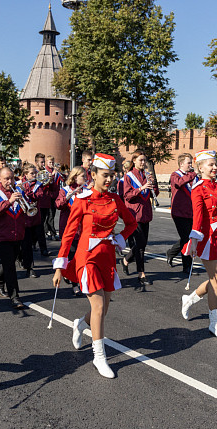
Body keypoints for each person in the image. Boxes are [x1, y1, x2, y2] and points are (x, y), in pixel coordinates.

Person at [52, 153, 137, 378]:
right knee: (98, 307)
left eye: (112, 176)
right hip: (86, 258)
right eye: (105, 176)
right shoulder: (83, 200)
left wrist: (120, 238)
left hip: (107, 257)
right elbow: (69, 235)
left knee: (103, 309)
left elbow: (131, 223)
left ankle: (80, 324)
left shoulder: (115, 200)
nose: (109, 180)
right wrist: (60, 265)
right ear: (94, 175)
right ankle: (99, 356)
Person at [180, 151, 217, 340]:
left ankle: (189, 299)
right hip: (207, 238)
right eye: (210, 165)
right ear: (200, 168)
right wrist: (194, 240)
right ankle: (214, 323)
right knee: (216, 280)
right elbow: (197, 216)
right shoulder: (198, 189)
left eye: (215, 164)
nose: (214, 168)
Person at [0, 167, 30, 309]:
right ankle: (15, 297)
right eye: (6, 178)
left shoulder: (18, 191)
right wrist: (10, 201)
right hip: (2, 235)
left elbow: (26, 210)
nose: (9, 181)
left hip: (18, 234)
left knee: (10, 262)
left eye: (11, 178)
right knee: (10, 266)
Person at [122, 150, 159, 285]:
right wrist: (141, 187)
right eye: (141, 160)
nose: (143, 163)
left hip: (145, 213)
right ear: (134, 161)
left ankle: (126, 259)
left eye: (144, 160)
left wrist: (154, 184)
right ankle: (141, 273)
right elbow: (127, 195)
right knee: (140, 245)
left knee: (142, 244)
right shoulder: (129, 177)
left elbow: (153, 193)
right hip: (134, 214)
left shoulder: (146, 175)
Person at [55, 166, 87, 296]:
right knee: (72, 256)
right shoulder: (65, 190)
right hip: (69, 229)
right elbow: (58, 205)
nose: (86, 179)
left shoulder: (86, 191)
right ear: (75, 177)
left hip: (83, 230)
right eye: (83, 177)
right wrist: (68, 197)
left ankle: (76, 279)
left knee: (82, 257)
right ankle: (75, 284)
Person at [165, 153, 198, 274]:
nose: (190, 165)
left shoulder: (192, 177)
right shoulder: (175, 175)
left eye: (191, 163)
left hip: (191, 212)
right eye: (188, 163)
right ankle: (187, 267)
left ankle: (171, 252)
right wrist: (193, 174)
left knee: (189, 237)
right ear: (181, 164)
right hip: (179, 213)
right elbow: (178, 183)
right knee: (186, 239)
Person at [20, 163, 49, 277]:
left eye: (35, 172)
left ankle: (28, 264)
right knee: (24, 244)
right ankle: (29, 266)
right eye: (32, 173)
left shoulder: (38, 185)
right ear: (26, 175)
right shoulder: (19, 183)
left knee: (30, 242)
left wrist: (26, 192)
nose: (35, 175)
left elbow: (38, 196)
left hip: (34, 217)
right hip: (22, 217)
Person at [43, 154, 62, 241]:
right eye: (50, 162)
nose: (51, 164)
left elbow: (62, 179)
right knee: (50, 214)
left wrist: (61, 174)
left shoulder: (55, 171)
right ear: (47, 162)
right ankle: (52, 232)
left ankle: (48, 230)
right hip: (48, 195)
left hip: (55, 195)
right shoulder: (46, 171)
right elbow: (47, 183)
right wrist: (52, 175)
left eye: (53, 162)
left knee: (52, 214)